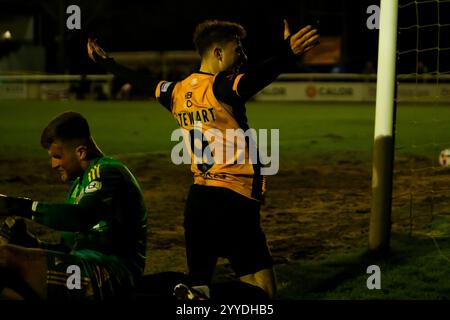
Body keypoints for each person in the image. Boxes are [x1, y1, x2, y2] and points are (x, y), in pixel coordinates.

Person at [87, 19, 319, 299]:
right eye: (238, 48)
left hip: (198, 201)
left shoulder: (176, 91)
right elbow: (257, 78)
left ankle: (161, 293)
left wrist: (108, 63)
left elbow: (143, 82)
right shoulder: (221, 87)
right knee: (263, 292)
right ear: (218, 53)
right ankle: (179, 292)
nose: (242, 55)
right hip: (233, 201)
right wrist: (288, 53)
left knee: (197, 284)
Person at [0, 111, 147, 300]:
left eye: (57, 156)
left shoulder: (108, 171)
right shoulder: (79, 185)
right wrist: (31, 243)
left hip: (111, 275)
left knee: (4, 257)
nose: (53, 164)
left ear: (81, 152)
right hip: (83, 268)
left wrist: (16, 205)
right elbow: (68, 250)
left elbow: (81, 217)